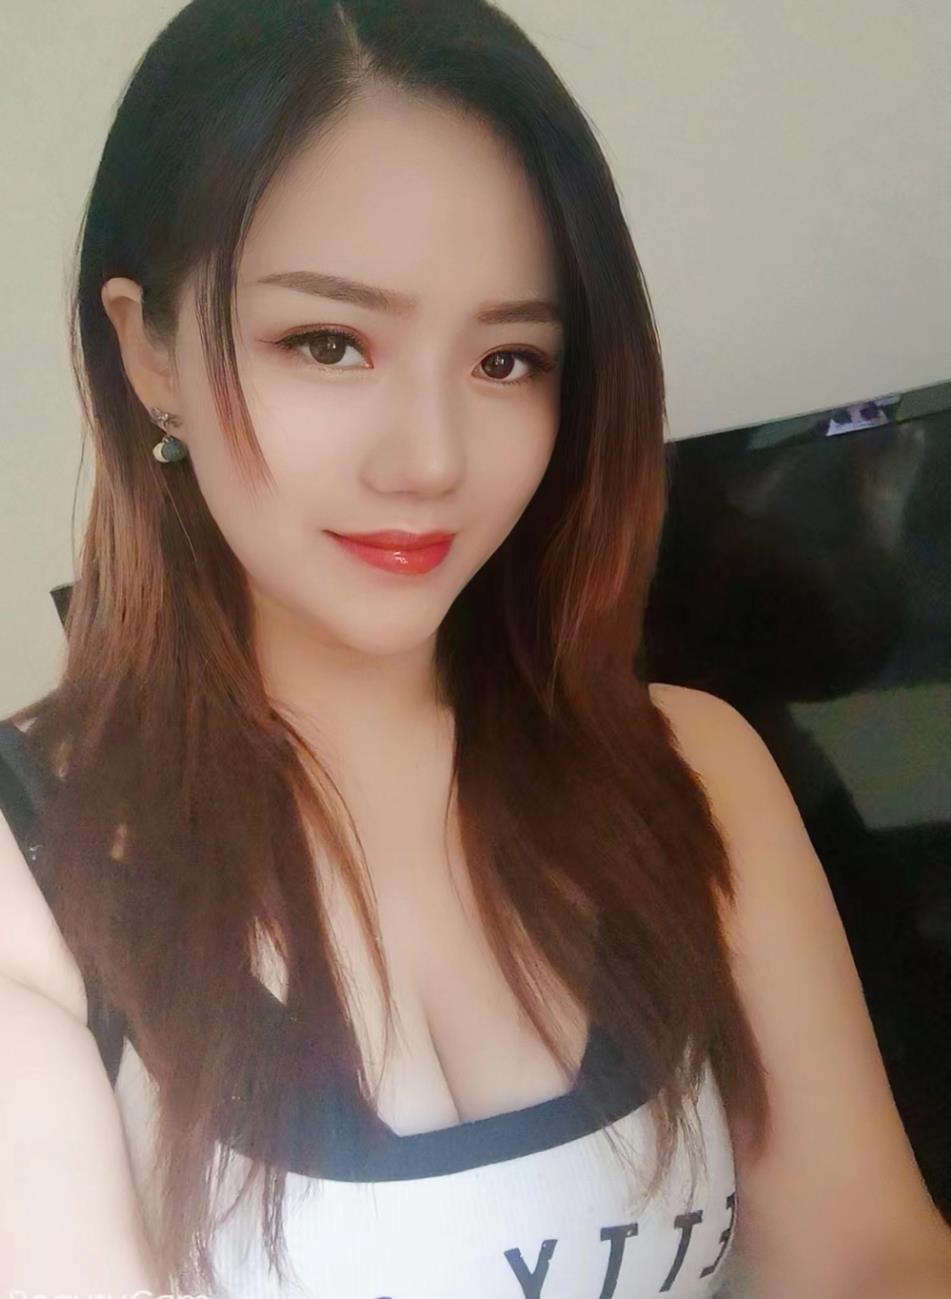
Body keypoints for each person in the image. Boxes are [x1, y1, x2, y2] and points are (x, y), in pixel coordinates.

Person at [2, 1, 950, 1296]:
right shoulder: (34, 874)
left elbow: (870, 1262)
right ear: (148, 349)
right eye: (328, 343)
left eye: (508, 360)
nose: (433, 460)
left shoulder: (694, 773)